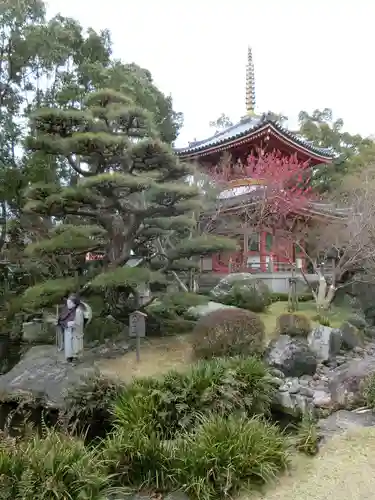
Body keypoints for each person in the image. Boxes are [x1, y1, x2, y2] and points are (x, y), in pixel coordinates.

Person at [57, 293, 85, 362]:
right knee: (68, 345)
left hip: (75, 332)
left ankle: (76, 357)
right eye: (68, 302)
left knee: (75, 344)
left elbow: (79, 323)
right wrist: (65, 323)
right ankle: (69, 356)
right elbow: (61, 318)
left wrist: (73, 324)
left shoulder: (78, 311)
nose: (68, 304)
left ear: (74, 303)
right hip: (68, 330)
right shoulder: (66, 309)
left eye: (70, 302)